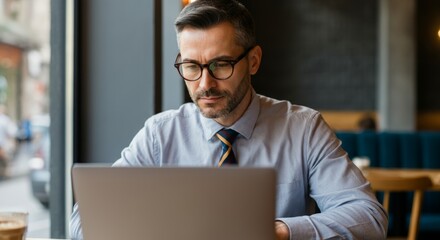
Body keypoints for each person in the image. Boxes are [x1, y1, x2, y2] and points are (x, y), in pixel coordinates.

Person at [70, 0, 388, 239]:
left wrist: (275, 232)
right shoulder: (160, 134)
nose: (204, 84)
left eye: (220, 65)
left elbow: (369, 218)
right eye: (191, 66)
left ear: (253, 61)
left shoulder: (303, 129)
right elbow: (83, 221)